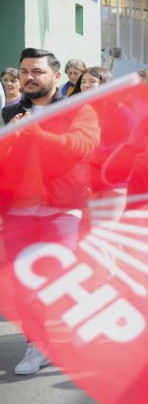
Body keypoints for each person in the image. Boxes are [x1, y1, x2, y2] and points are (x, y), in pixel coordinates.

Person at [3, 48, 100, 375]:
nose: (29, 77)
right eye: (24, 71)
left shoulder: (77, 108)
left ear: (55, 76)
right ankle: (37, 345)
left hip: (62, 209)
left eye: (38, 71)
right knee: (24, 284)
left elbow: (81, 146)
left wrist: (38, 133)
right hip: (18, 210)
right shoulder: (12, 112)